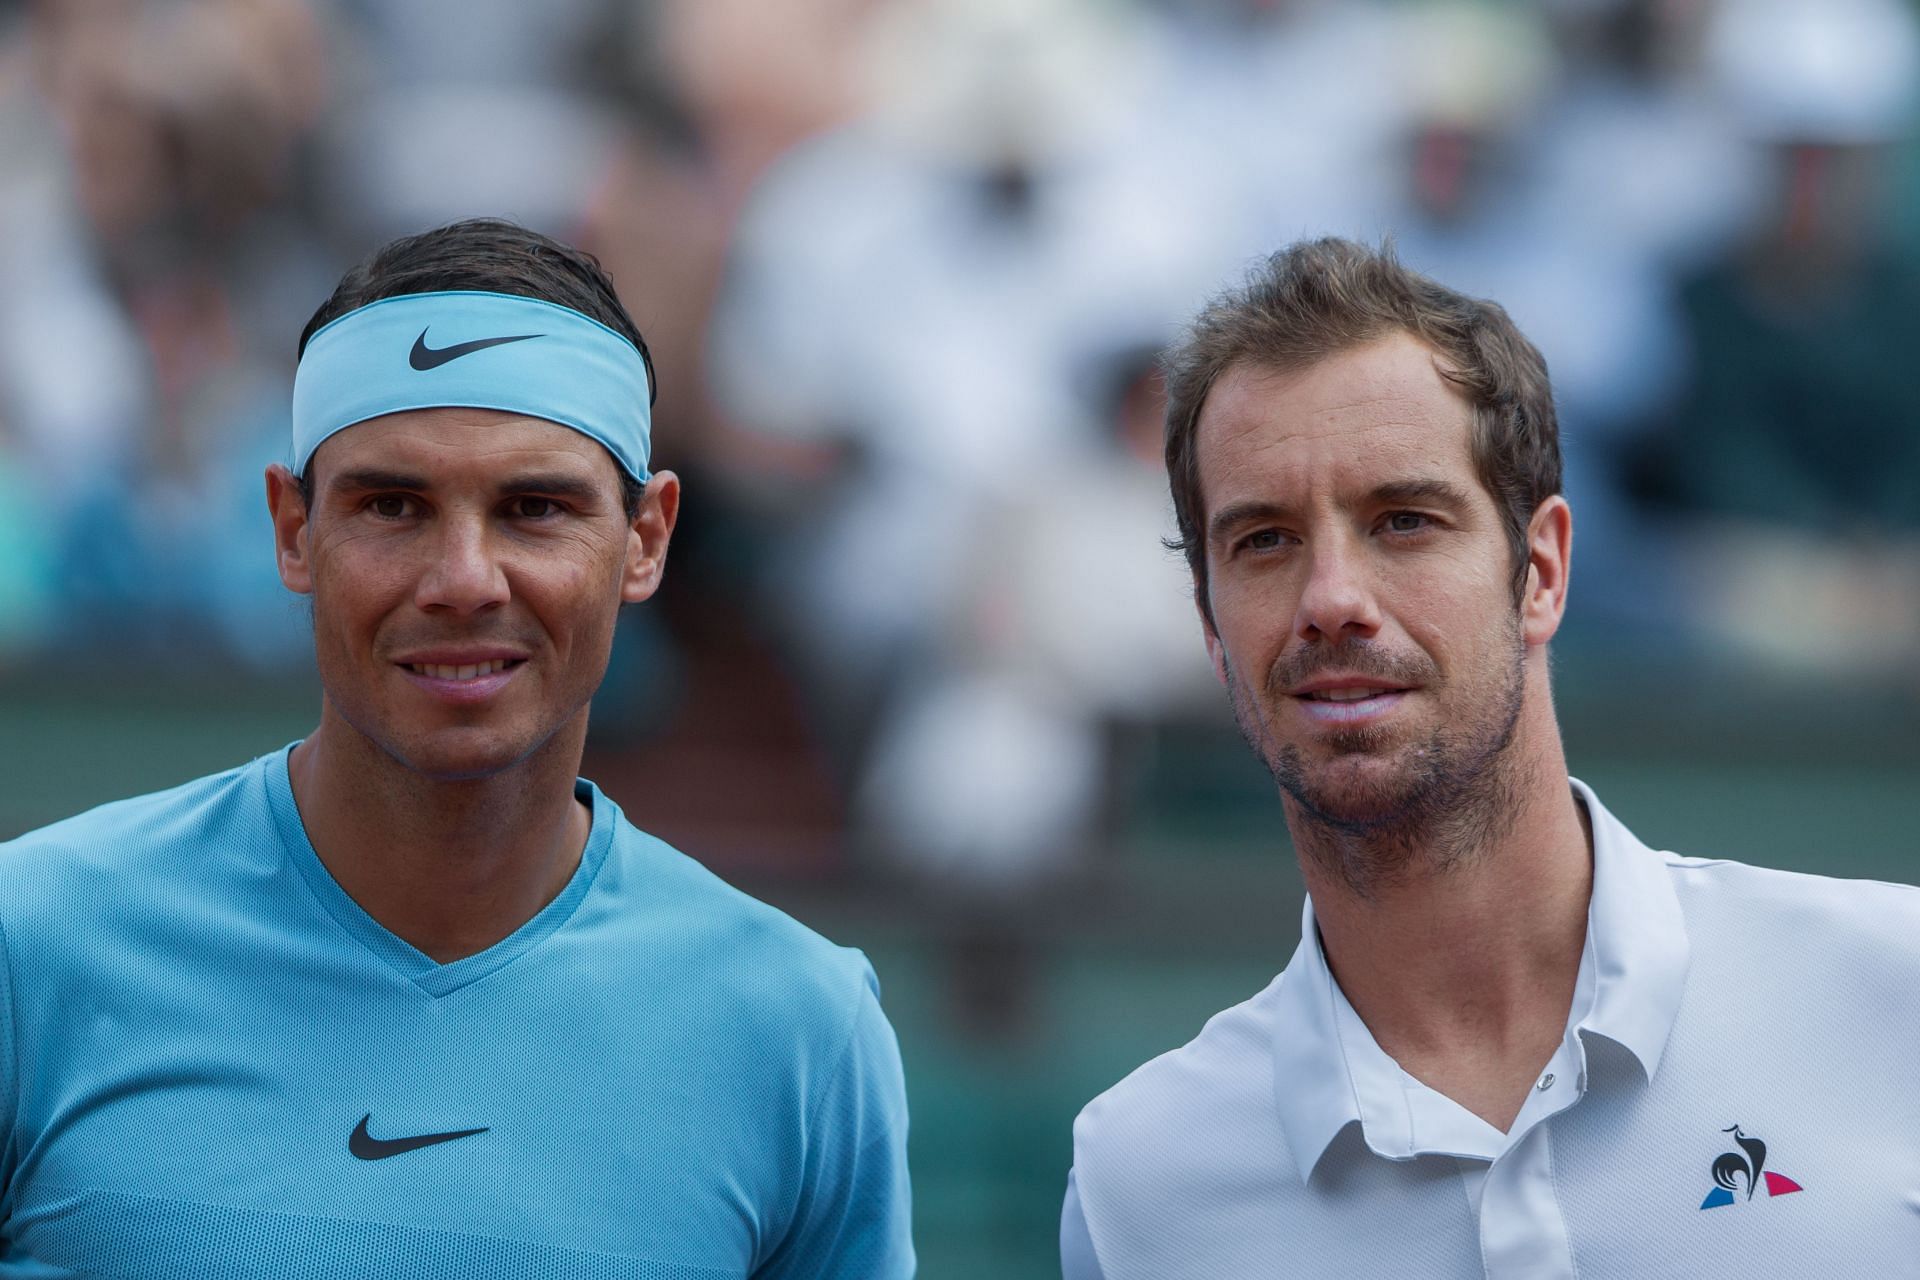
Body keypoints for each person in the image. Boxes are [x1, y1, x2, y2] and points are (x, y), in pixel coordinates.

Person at [0, 218, 914, 1276]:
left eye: (535, 508)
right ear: (293, 530)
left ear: (646, 539)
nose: (465, 577)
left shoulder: (801, 1031)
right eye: (393, 504)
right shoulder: (31, 945)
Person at [1059, 238, 1920, 1278]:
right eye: (1265, 541)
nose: (1332, 596)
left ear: (1543, 572)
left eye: (1404, 520)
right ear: (1208, 621)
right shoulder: (1137, 1183)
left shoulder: (1896, 991)